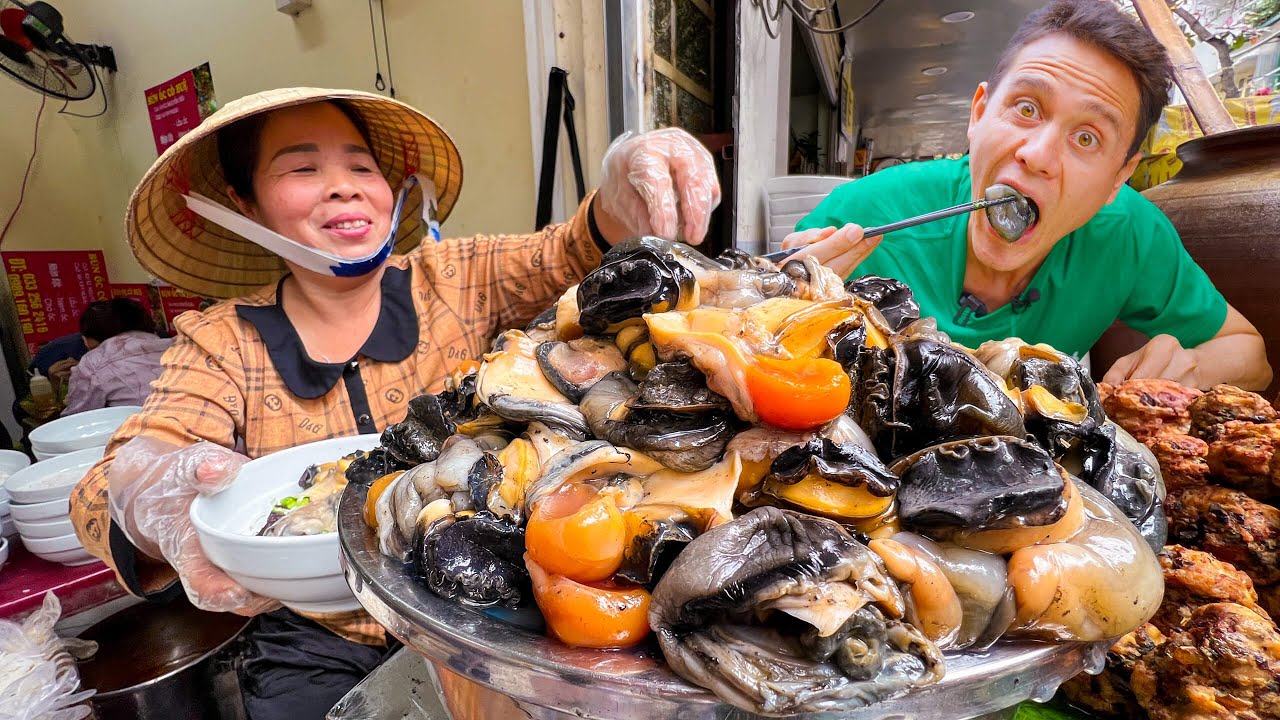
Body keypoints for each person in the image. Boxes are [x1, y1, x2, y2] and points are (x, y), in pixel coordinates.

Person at [67, 87, 718, 719]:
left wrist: (622, 196)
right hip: (314, 637)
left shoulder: (455, 278)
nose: (344, 185)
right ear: (246, 202)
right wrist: (151, 494)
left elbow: (570, 251)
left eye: (361, 166)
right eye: (301, 167)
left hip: (475, 611)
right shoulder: (219, 342)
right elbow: (114, 478)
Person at [784, 0, 1271, 391]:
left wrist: (1190, 369)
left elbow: (1249, 354)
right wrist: (777, 305)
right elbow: (744, 341)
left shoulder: (1130, 233)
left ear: (1118, 179)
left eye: (1087, 138)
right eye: (1026, 107)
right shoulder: (868, 216)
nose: (1038, 155)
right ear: (978, 114)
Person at [61, 298, 174, 415]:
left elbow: (77, 420)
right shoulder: (181, 346)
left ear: (86, 339)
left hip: (145, 429)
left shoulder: (93, 362)